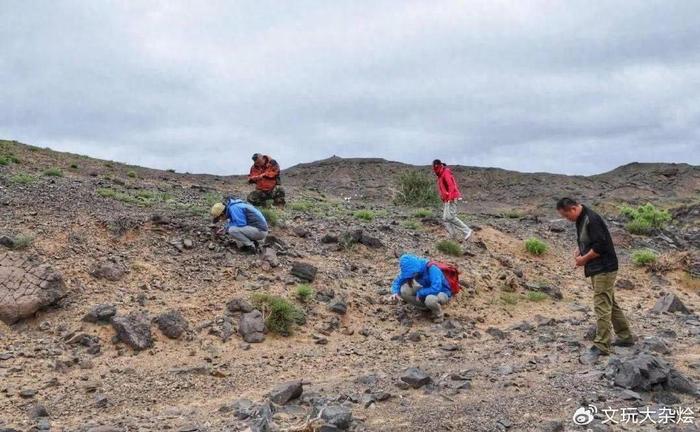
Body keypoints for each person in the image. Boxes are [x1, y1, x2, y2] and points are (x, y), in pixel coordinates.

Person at [556, 197, 634, 364]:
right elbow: (589, 240)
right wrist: (580, 249)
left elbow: (600, 246)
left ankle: (602, 345)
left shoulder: (591, 219)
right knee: (609, 302)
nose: (566, 219)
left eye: (565, 215)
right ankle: (625, 336)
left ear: (572, 209)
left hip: (604, 268)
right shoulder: (581, 218)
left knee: (601, 304)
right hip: (599, 268)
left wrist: (583, 259)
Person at [389, 254, 454, 322]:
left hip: (442, 292)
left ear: (416, 268)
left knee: (430, 299)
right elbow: (398, 281)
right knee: (403, 291)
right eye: (410, 274)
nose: (412, 276)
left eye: (413, 273)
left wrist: (420, 292)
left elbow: (436, 288)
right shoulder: (411, 270)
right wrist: (395, 292)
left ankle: (438, 315)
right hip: (426, 289)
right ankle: (424, 307)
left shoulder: (432, 269)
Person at [432, 159, 472, 241]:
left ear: (438, 165)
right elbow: (443, 188)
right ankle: (453, 236)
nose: (434, 168)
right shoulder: (440, 174)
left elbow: (451, 185)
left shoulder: (445, 172)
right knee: (446, 218)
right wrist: (444, 198)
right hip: (447, 199)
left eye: (435, 166)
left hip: (452, 197)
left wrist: (450, 197)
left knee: (451, 217)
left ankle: (467, 230)